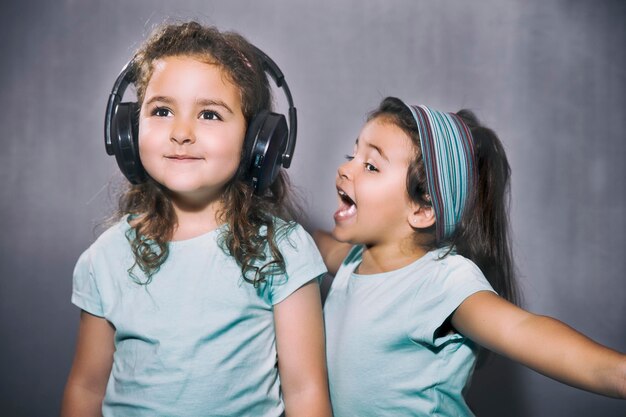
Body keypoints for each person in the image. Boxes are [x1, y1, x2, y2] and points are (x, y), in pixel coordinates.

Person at [61, 21, 331, 417]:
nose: (181, 132)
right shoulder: (107, 256)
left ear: (258, 140)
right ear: (127, 132)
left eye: (209, 114)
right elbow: (85, 389)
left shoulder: (283, 250)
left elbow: (306, 392)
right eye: (163, 110)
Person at [315, 96, 626, 416]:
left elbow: (523, 329)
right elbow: (316, 243)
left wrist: (618, 374)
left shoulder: (440, 282)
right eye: (352, 155)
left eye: (370, 165)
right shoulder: (353, 262)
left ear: (423, 209)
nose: (344, 168)